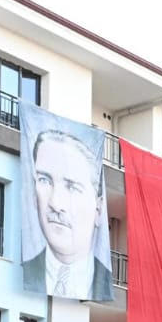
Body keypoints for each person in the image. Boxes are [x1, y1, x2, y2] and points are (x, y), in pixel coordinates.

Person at [22, 128, 113, 302]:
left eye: (72, 187)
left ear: (98, 209)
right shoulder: (24, 270)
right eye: (45, 181)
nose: (56, 203)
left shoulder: (104, 280)